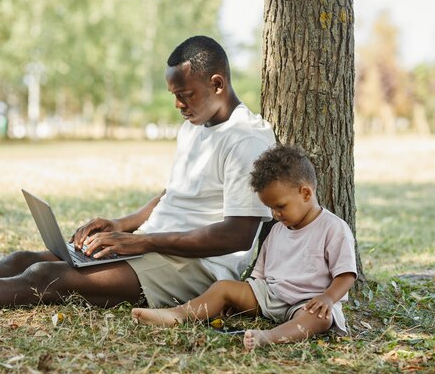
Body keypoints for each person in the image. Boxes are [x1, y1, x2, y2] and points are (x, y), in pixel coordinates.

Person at [0, 35, 276, 310]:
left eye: (186, 94)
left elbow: (237, 235)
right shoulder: (196, 127)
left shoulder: (247, 141)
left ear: (217, 84)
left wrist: (138, 241)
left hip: (196, 268)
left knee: (46, 279)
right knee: (20, 261)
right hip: (153, 248)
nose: (179, 105)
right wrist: (121, 225)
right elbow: (176, 194)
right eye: (174, 96)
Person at [131, 145, 357, 350]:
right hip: (271, 295)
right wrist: (241, 299)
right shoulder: (277, 230)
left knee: (320, 318)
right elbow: (259, 275)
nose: (275, 214)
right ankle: (177, 315)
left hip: (308, 302)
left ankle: (269, 336)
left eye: (280, 206)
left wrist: (328, 298)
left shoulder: (333, 228)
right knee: (224, 288)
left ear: (306, 193)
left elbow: (346, 273)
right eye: (270, 208)